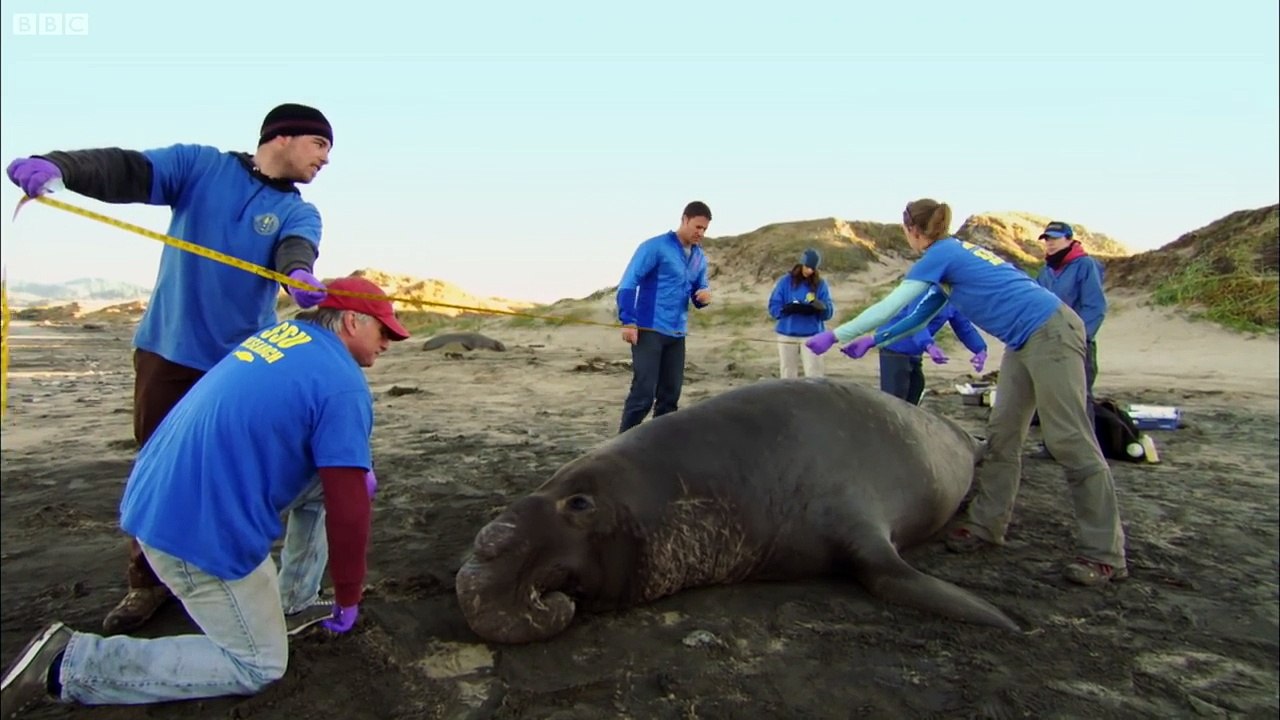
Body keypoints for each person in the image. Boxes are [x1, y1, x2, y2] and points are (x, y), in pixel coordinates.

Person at [0, 276, 409, 717]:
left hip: (153, 496)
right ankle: (68, 664)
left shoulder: (280, 337)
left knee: (339, 479)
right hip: (193, 535)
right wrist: (348, 595)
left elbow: (340, 483)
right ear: (351, 321)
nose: (389, 342)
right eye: (383, 330)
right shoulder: (343, 386)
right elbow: (350, 512)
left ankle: (294, 598)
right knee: (260, 664)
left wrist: (353, 479)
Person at [5, 103, 335, 635]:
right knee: (157, 470)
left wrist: (298, 274)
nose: (325, 160)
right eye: (320, 145)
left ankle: (221, 572)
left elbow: (296, 250)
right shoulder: (200, 167)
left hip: (239, 365)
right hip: (167, 351)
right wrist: (59, 165)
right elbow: (126, 169)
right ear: (284, 136)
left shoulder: (301, 212)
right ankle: (147, 583)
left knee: (233, 470)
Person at [804, 198, 1127, 586]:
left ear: (912, 230)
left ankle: (1105, 554)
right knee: (1003, 435)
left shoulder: (941, 255)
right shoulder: (951, 260)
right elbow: (919, 315)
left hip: (1051, 332)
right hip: (1021, 341)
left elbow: (893, 303)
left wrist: (836, 335)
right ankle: (988, 525)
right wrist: (873, 340)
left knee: (1069, 440)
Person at [616, 201, 713, 433]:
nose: (700, 233)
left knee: (670, 397)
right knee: (643, 394)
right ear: (685, 219)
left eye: (704, 229)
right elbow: (628, 283)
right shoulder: (655, 247)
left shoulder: (699, 257)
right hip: (649, 330)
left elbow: (698, 292)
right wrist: (628, 320)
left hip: (677, 333)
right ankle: (622, 443)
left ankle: (659, 446)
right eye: (697, 227)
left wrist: (703, 297)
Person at [1029, 221, 1108, 458]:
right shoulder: (1046, 271)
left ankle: (1086, 451)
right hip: (1048, 341)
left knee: (1078, 397)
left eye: (1055, 238)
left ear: (1069, 239)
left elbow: (1095, 307)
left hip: (1076, 342)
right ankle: (1052, 446)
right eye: (1046, 239)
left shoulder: (1085, 265)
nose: (1050, 243)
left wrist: (1079, 337)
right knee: (1050, 395)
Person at [875, 289, 988, 405]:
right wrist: (929, 345)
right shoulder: (924, 291)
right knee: (896, 395)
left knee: (916, 388)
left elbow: (964, 327)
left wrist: (980, 349)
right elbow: (915, 321)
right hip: (895, 345)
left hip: (915, 351)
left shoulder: (953, 298)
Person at [767, 248, 835, 379]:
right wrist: (785, 310)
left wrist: (819, 308)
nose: (810, 271)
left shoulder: (820, 284)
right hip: (787, 335)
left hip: (812, 335)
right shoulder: (785, 282)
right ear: (801, 264)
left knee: (814, 375)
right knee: (787, 375)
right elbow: (774, 305)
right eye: (807, 267)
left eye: (813, 268)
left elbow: (828, 311)